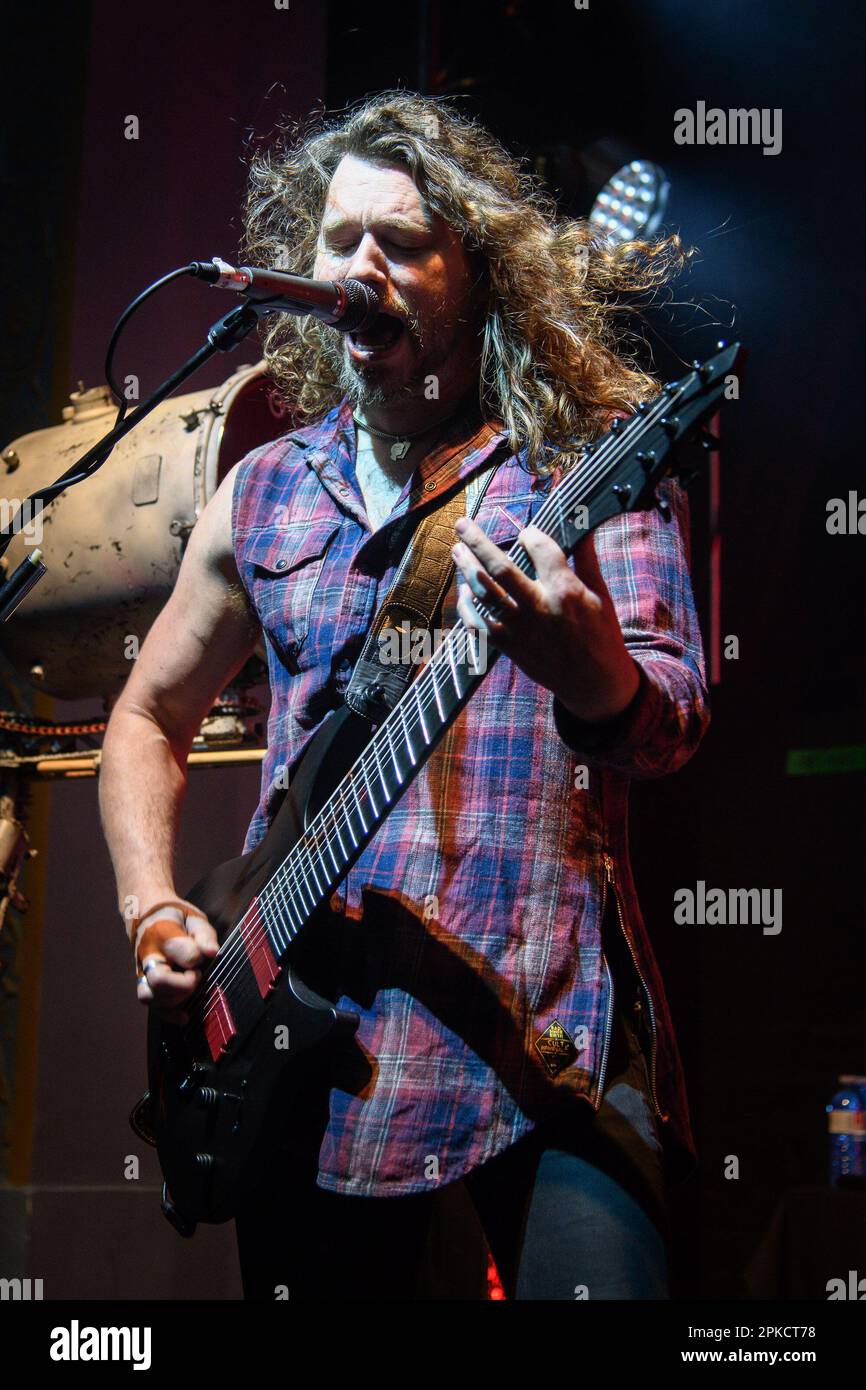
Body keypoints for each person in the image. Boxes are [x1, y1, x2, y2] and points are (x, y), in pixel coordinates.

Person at [99, 91, 709, 1300]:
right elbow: (146, 717)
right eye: (336, 241)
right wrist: (151, 910)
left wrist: (584, 662)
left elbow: (672, 718)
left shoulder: (581, 462)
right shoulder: (266, 490)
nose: (358, 266)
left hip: (541, 1037)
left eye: (403, 240)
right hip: (304, 1056)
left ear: (475, 272)